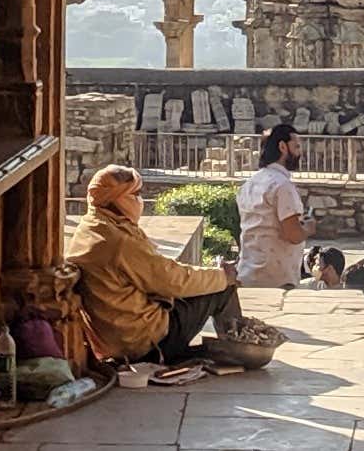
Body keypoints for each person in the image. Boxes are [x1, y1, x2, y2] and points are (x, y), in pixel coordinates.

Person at [66, 166, 247, 365]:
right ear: (115, 199)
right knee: (222, 287)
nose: (139, 200)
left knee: (202, 285)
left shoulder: (92, 226)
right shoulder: (118, 241)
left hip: (121, 338)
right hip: (145, 343)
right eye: (134, 194)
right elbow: (171, 280)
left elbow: (158, 273)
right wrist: (223, 276)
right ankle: (243, 348)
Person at [236, 123, 310, 285]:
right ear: (283, 147)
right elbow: (293, 235)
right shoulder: (282, 186)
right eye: (296, 147)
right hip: (277, 279)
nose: (300, 153)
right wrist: (308, 228)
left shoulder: (250, 184)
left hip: (248, 273)